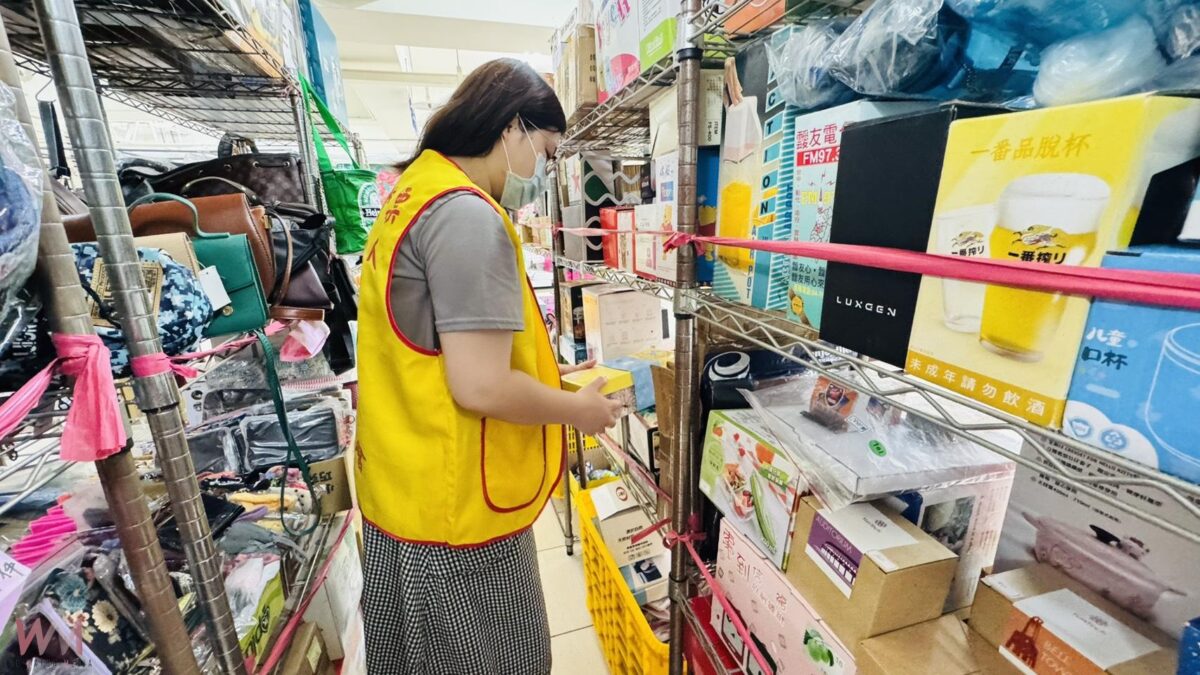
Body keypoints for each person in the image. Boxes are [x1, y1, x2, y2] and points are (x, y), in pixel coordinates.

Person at [355, 58, 624, 675]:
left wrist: (551, 381)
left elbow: (431, 350)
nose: (543, 172)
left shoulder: (414, 193)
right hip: (457, 517)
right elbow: (480, 385)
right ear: (511, 128)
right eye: (546, 151)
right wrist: (577, 410)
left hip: (405, 489)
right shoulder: (467, 216)